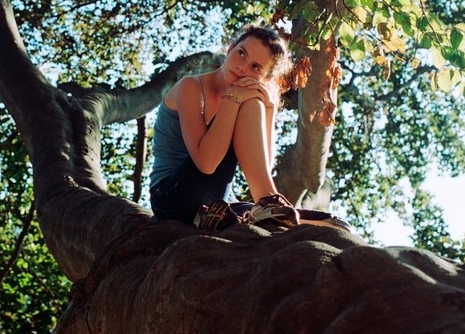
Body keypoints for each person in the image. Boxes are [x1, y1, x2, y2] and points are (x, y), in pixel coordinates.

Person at [149, 25, 350, 232]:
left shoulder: (249, 101)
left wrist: (270, 107)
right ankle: (268, 205)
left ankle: (245, 216)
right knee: (250, 103)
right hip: (172, 197)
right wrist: (232, 98)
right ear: (230, 49)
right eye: (241, 53)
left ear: (265, 80)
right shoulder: (190, 87)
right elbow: (206, 163)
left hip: (220, 203)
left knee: (333, 224)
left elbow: (262, 168)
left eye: (255, 67)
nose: (242, 67)